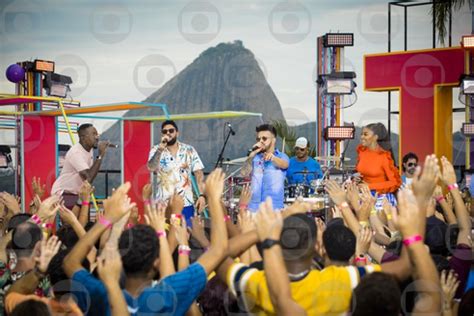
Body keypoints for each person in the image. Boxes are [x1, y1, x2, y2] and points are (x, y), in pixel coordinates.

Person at [147, 120, 206, 221]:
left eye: (171, 130)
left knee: (186, 233)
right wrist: (160, 149)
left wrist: (201, 195)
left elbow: (198, 173)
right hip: (163, 204)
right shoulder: (155, 149)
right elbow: (151, 168)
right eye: (165, 131)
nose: (168, 133)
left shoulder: (189, 150)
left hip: (185, 203)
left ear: (177, 133)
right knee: (164, 234)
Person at [51, 123, 109, 209]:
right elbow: (88, 177)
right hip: (65, 192)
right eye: (93, 134)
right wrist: (100, 156)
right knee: (72, 221)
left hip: (76, 193)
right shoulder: (76, 153)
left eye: (97, 134)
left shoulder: (89, 149)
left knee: (81, 220)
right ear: (83, 137)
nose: (97, 137)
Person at [241, 124, 289, 212]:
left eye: (264, 138)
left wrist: (273, 158)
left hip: (274, 208)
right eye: (258, 139)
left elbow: (285, 165)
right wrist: (251, 155)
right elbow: (244, 173)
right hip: (253, 207)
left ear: (274, 140)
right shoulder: (255, 157)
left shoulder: (282, 156)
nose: (261, 141)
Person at [356, 123, 401, 204]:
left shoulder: (384, 156)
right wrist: (357, 180)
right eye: (361, 134)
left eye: (365, 134)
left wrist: (370, 186)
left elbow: (395, 183)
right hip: (363, 196)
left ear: (375, 137)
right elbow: (363, 174)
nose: (362, 137)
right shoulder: (362, 152)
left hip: (381, 199)